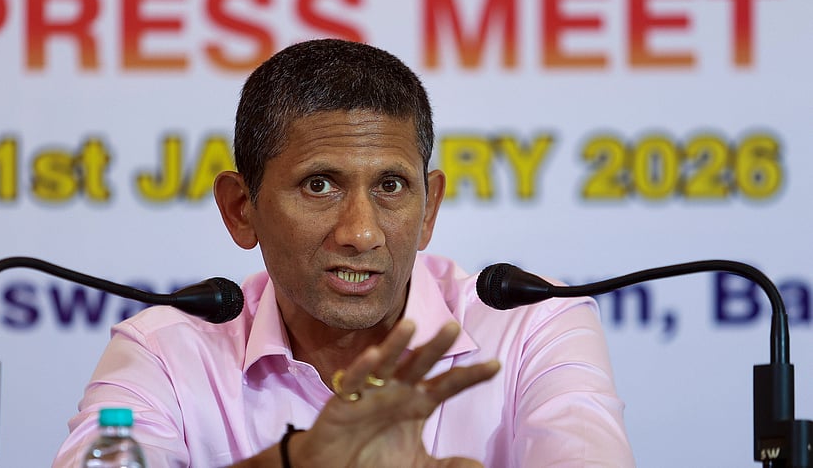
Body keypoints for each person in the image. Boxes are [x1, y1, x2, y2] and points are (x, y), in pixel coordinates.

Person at [52, 39, 634, 467]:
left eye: (391, 186)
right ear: (240, 208)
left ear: (429, 208)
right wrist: (295, 463)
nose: (360, 233)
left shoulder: (532, 326)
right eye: (319, 185)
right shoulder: (164, 350)